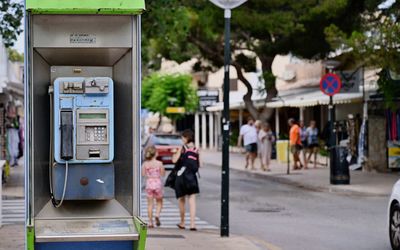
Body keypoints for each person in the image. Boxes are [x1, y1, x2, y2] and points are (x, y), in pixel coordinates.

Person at [172, 129, 200, 231]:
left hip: (182, 177)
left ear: (186, 138)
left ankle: (183, 222)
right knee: (192, 201)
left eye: (182, 137)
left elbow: (174, 160)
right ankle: (192, 224)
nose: (181, 139)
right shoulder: (196, 149)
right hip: (192, 177)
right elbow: (200, 164)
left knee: (181, 200)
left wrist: (175, 154)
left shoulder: (182, 148)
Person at [142, 146, 165, 228]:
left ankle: (150, 222)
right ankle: (157, 215)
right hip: (157, 183)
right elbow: (162, 174)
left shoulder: (145, 164)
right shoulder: (159, 163)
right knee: (159, 201)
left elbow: (143, 174)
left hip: (149, 183)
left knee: (150, 204)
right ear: (155, 154)